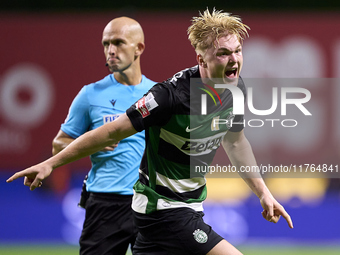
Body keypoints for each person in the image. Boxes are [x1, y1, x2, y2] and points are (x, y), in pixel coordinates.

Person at [7, 9, 293, 255]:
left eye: (237, 51)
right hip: (163, 210)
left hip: (190, 205)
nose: (234, 59)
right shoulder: (167, 97)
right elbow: (111, 132)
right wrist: (51, 163)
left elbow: (236, 143)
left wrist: (263, 193)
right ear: (201, 59)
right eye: (223, 53)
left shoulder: (235, 89)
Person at [50, 17, 156, 254]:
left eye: (118, 42)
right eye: (106, 44)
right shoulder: (90, 94)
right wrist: (92, 144)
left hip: (151, 202)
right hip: (106, 204)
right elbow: (59, 144)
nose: (111, 50)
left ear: (139, 48)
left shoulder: (157, 95)